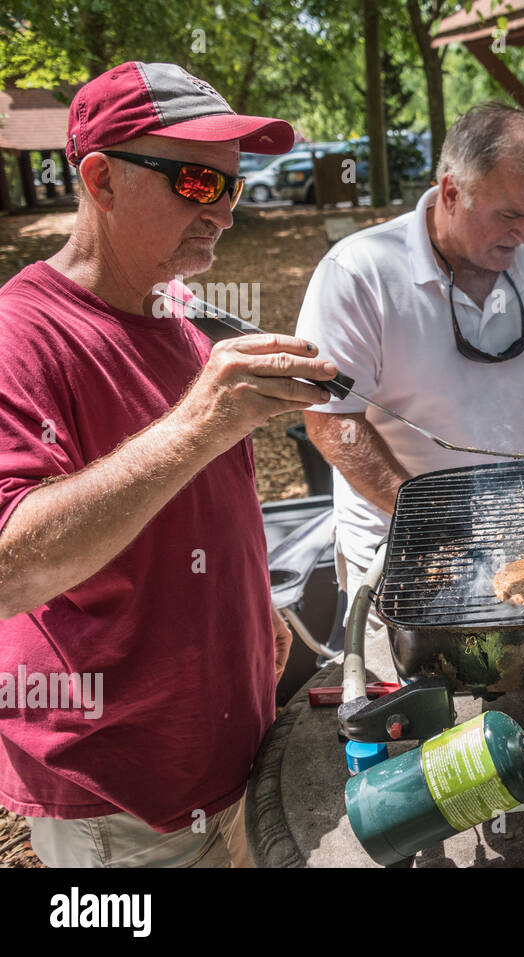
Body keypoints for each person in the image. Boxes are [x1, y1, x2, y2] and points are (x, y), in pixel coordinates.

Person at [0, 62, 336, 867]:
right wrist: (197, 422)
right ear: (101, 178)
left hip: (229, 753)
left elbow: (201, 511)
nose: (222, 212)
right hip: (122, 800)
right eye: (195, 181)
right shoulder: (23, 334)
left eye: (233, 187)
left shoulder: (178, 317)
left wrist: (257, 615)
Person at [295, 102, 524, 626]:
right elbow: (332, 423)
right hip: (397, 548)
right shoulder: (360, 273)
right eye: (510, 215)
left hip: (520, 541)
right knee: (417, 701)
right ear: (451, 192)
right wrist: (435, 526)